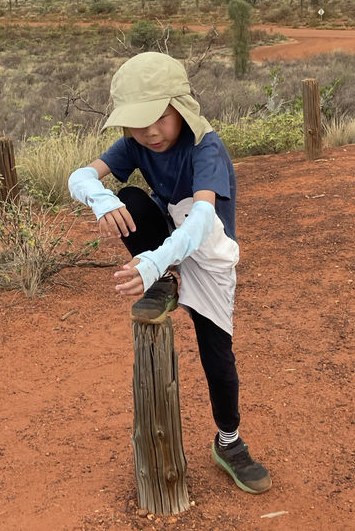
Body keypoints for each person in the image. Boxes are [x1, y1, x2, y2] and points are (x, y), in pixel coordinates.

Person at [68, 52, 271, 494]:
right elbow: (80, 176)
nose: (149, 132)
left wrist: (156, 259)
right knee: (129, 199)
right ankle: (165, 283)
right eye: (137, 123)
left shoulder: (206, 148)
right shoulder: (137, 144)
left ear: (181, 107)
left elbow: (200, 223)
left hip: (209, 253)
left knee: (217, 354)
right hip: (165, 244)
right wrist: (100, 199)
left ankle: (229, 441)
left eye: (158, 117)